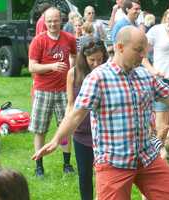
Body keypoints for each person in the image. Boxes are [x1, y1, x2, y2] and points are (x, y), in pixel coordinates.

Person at [32, 26, 169, 200]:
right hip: (114, 162)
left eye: (145, 50)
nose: (143, 55)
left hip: (146, 157)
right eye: (138, 50)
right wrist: (56, 140)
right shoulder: (98, 78)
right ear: (120, 47)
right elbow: (76, 115)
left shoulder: (146, 76)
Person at [28, 7, 77, 177]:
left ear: (61, 20)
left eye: (55, 20)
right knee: (40, 129)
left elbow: (75, 55)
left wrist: (72, 68)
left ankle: (67, 164)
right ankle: (39, 166)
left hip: (65, 90)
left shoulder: (69, 38)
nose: (52, 24)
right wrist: (52, 66)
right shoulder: (38, 41)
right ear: (45, 21)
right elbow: (32, 66)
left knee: (65, 129)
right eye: (49, 21)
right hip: (43, 90)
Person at [66, 38, 108, 200]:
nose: (97, 63)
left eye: (100, 59)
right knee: (84, 175)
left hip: (104, 133)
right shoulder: (73, 73)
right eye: (92, 60)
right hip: (81, 133)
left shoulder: (108, 73)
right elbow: (70, 104)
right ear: (83, 57)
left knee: (103, 174)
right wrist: (67, 128)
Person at [142, 0, 169, 172]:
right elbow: (141, 54)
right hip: (161, 85)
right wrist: (152, 70)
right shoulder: (157, 31)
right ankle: (159, 166)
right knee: (161, 130)